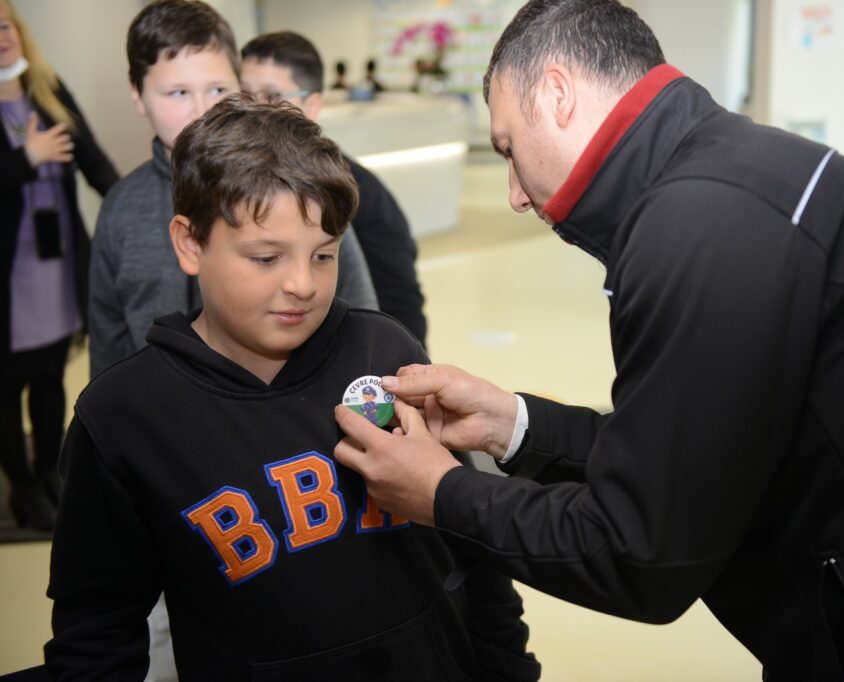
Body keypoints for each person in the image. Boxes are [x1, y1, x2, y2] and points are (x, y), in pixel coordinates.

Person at [333, 0, 844, 679]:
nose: (513, 193)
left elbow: (642, 553)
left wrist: (441, 492)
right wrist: (514, 425)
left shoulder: (697, 224)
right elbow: (695, 456)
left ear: (558, 93)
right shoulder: (732, 174)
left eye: (509, 148)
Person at [45, 93, 540, 681]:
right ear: (189, 242)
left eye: (324, 255)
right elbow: (97, 632)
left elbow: (470, 542)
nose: (302, 284)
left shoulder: (385, 355)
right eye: (265, 257)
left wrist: (508, 667)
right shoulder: (122, 418)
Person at [88, 0, 377, 379]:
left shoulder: (293, 186)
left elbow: (360, 315)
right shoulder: (122, 208)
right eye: (177, 93)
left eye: (218, 88)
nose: (202, 109)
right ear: (138, 94)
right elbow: (108, 346)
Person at [0, 0, 118, 531]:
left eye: (3, 26)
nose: (0, 38)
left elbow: (92, 157)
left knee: (50, 376)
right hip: (8, 275)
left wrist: (129, 205)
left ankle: (50, 473)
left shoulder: (47, 88)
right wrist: (28, 158)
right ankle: (23, 488)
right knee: (6, 387)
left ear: (18, 32)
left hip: (57, 265)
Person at [241, 31, 427, 345]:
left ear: (312, 105)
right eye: (244, 95)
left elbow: (399, 299)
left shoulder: (353, 191)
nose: (253, 110)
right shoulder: (234, 181)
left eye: (272, 96)